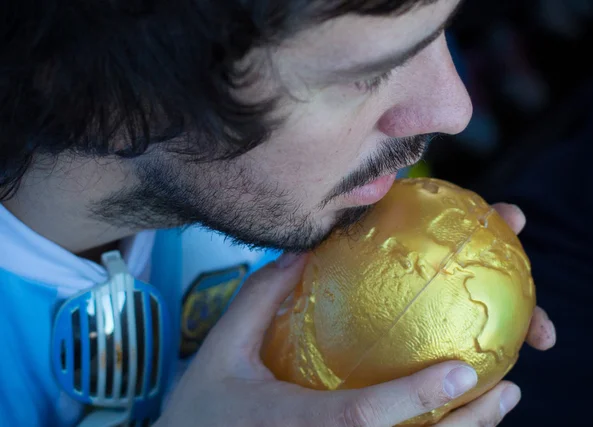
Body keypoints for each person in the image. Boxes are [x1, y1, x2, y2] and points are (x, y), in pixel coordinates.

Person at [0, 0, 555, 426]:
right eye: (364, 73)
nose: (453, 108)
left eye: (440, 33)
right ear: (100, 85)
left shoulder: (308, 207)